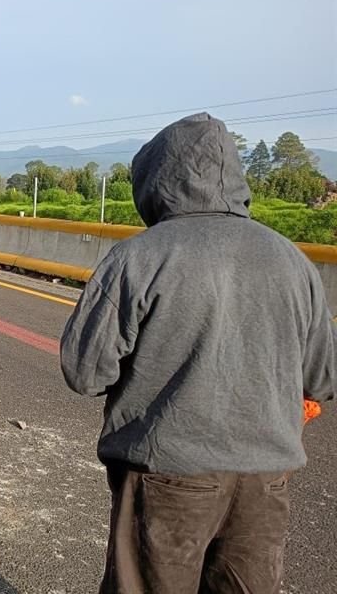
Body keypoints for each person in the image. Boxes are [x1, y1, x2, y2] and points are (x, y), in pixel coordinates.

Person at [60, 112, 336, 593]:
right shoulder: (292, 260)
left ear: (157, 180)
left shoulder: (140, 256)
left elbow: (85, 372)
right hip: (265, 480)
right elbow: (324, 378)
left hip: (166, 474)